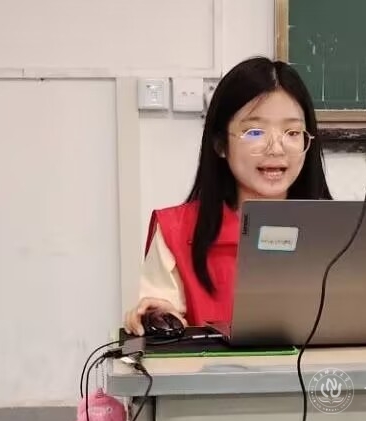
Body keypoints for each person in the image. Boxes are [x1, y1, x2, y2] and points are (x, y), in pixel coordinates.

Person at [123, 56, 333, 336]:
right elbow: (160, 310)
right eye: (255, 132)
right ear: (221, 144)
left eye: (292, 132)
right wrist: (157, 314)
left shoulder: (340, 232)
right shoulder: (177, 231)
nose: (276, 148)